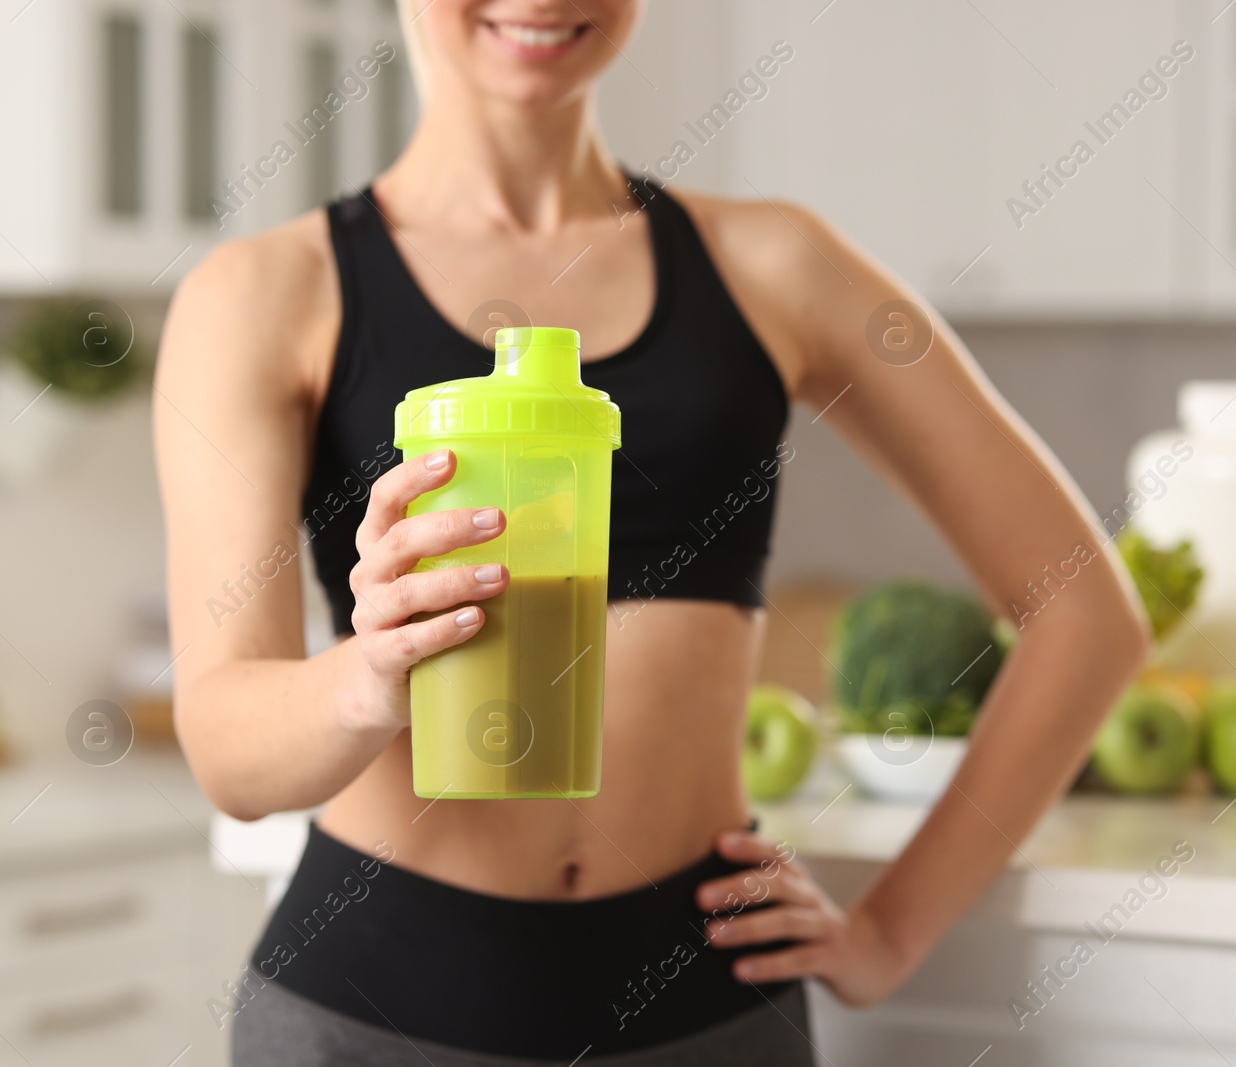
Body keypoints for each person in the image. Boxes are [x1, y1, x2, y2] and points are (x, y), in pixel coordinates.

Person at [155, 1, 1150, 1063]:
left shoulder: (776, 264)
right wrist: (366, 676)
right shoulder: (263, 296)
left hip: (707, 1014)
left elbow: (1085, 610)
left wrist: (888, 933)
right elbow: (227, 748)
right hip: (375, 1012)